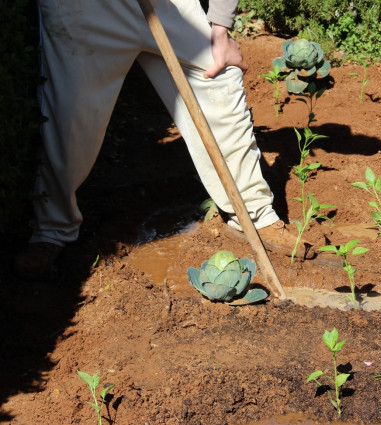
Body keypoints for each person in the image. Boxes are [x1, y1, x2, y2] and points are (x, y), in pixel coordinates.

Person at [14, 0, 302, 280]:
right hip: (84, 9)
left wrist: (221, 27)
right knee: (68, 119)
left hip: (169, 6)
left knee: (219, 79)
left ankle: (254, 214)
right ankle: (52, 227)